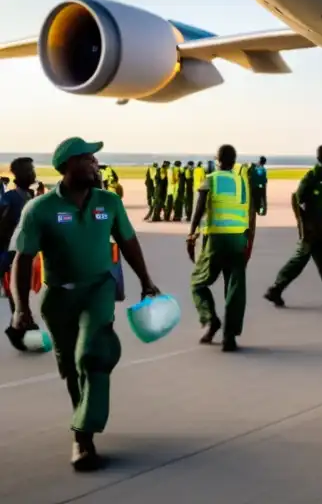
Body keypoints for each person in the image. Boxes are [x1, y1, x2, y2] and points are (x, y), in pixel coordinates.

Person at [8, 137, 160, 472]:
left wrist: (146, 281)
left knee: (92, 353)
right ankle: (85, 427)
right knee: (72, 369)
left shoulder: (108, 201)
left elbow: (128, 240)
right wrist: (21, 308)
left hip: (99, 289)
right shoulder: (40, 209)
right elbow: (23, 258)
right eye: (90, 159)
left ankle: (82, 435)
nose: (97, 165)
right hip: (58, 297)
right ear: (69, 166)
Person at [264, 145, 322, 309]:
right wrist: (303, 226)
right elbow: (297, 198)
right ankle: (275, 289)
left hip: (321, 225)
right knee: (299, 260)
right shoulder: (312, 175)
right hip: (312, 228)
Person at [186, 145, 255, 352]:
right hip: (239, 240)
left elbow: (199, 209)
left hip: (217, 239)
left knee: (197, 282)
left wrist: (190, 236)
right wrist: (249, 242)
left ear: (218, 159)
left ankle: (210, 319)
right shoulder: (243, 182)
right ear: (234, 161)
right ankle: (230, 337)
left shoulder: (212, 179)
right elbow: (251, 214)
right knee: (235, 289)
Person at [1, 157, 38, 351]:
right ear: (19, 174)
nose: (34, 173)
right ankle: (21, 331)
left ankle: (25, 328)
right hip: (9, 257)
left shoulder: (30, 196)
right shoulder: (9, 199)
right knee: (16, 297)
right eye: (30, 170)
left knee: (21, 295)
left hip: (26, 255)